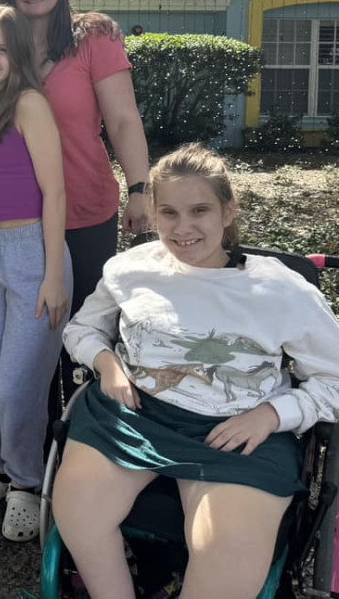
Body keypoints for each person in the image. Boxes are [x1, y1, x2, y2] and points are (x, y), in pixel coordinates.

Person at [52, 143, 339, 599]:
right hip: (135, 415)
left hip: (239, 432)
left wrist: (271, 416)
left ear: (228, 211)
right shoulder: (131, 269)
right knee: (79, 511)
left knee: (225, 550)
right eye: (168, 213)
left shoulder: (281, 290)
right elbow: (83, 329)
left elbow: (334, 378)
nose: (182, 228)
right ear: (152, 214)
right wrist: (107, 364)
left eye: (199, 210)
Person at [0, 0, 150, 407]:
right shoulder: (0, 44)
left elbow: (123, 119)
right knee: (33, 338)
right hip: (20, 218)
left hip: (85, 210)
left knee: (85, 335)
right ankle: (34, 458)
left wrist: (140, 188)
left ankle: (83, 444)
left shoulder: (93, 38)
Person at [0, 6, 73, 541]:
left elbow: (55, 192)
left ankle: (26, 482)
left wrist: (52, 275)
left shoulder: (29, 104)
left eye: (2, 49)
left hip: (33, 254)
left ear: (18, 56)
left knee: (16, 390)